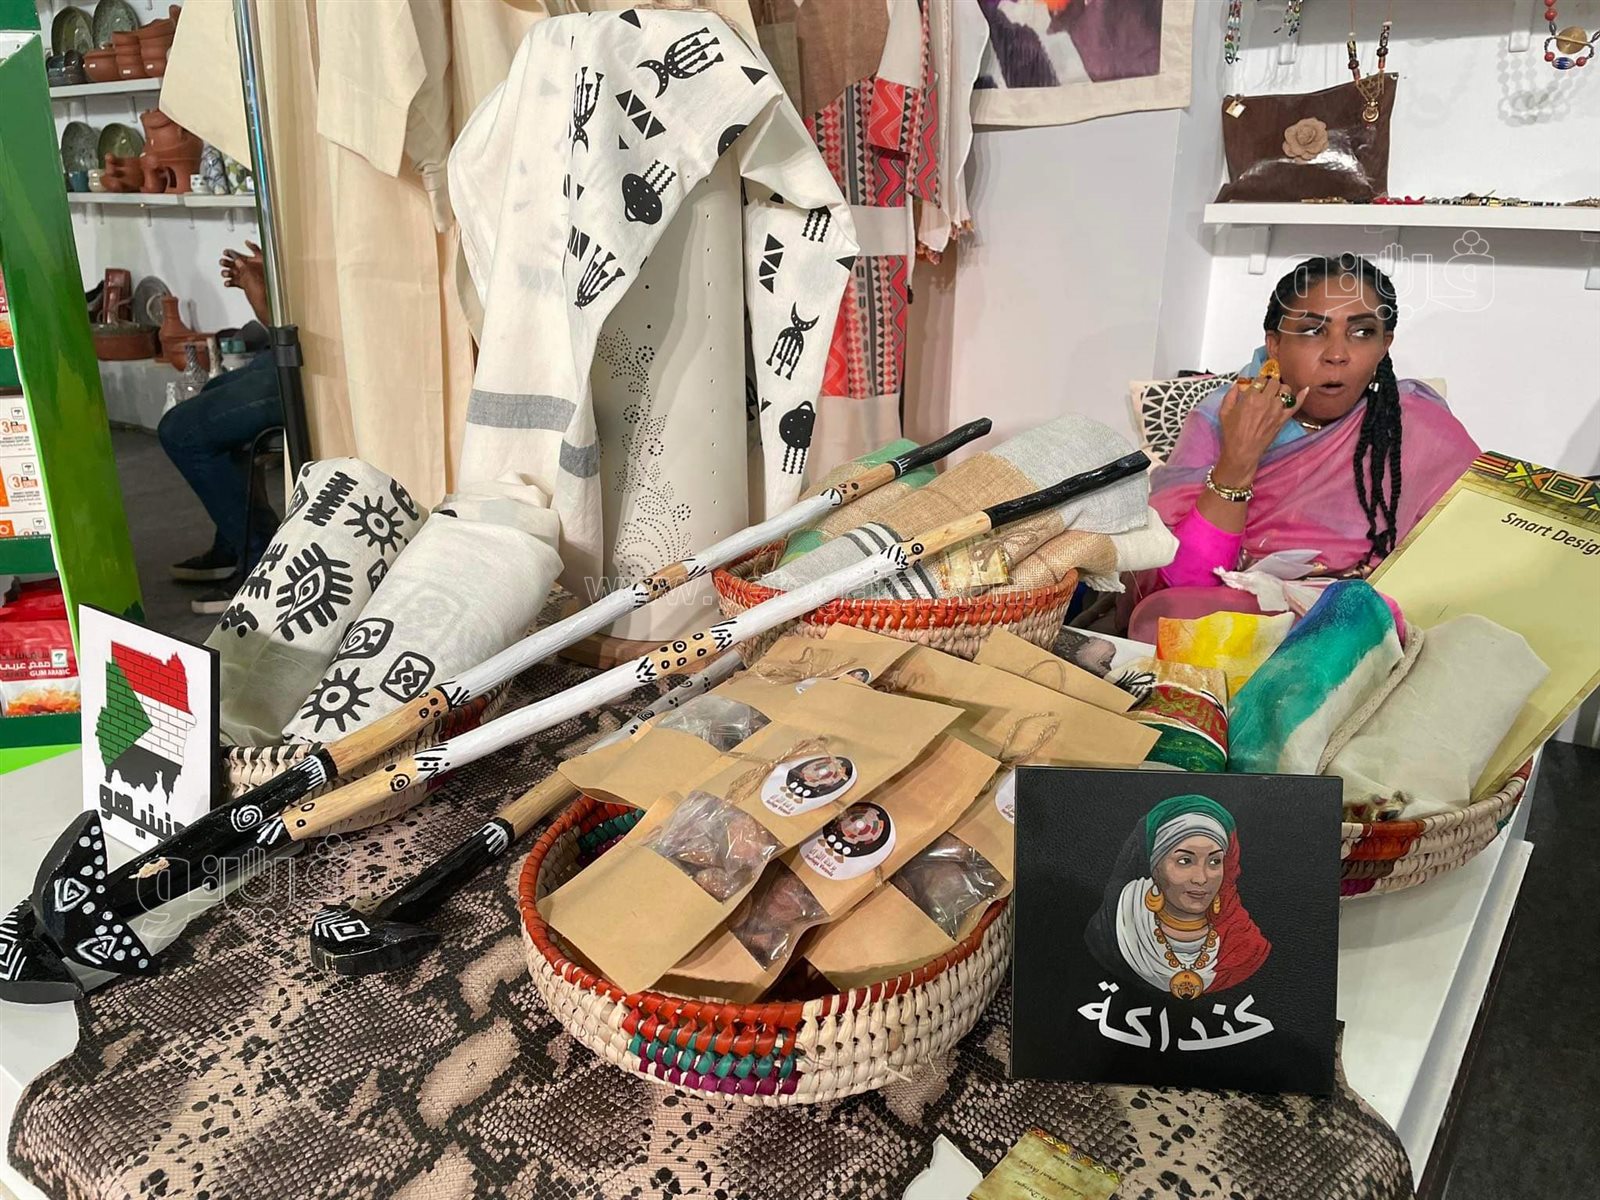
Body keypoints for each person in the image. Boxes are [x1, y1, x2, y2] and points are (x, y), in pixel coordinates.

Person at [1127, 255, 1481, 633]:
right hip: (1240, 620)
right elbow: (1177, 586)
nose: (1337, 354)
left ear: (1384, 346)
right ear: (1275, 344)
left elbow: (1474, 556)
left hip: (1369, 623)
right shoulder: (1221, 417)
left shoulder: (1415, 425)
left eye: (1362, 332)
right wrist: (1239, 459)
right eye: (1313, 330)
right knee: (1163, 621)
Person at [159, 242, 285, 615]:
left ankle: (263, 556)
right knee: (212, 392)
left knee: (181, 430)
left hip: (314, 365)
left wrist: (263, 293)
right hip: (284, 356)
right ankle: (236, 541)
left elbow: (289, 331)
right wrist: (268, 283)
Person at [1084, 794, 1270, 1001]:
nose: (1201, 878)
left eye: (1215, 862)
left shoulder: (1244, 942)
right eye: (1184, 861)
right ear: (1155, 867)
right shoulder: (1116, 927)